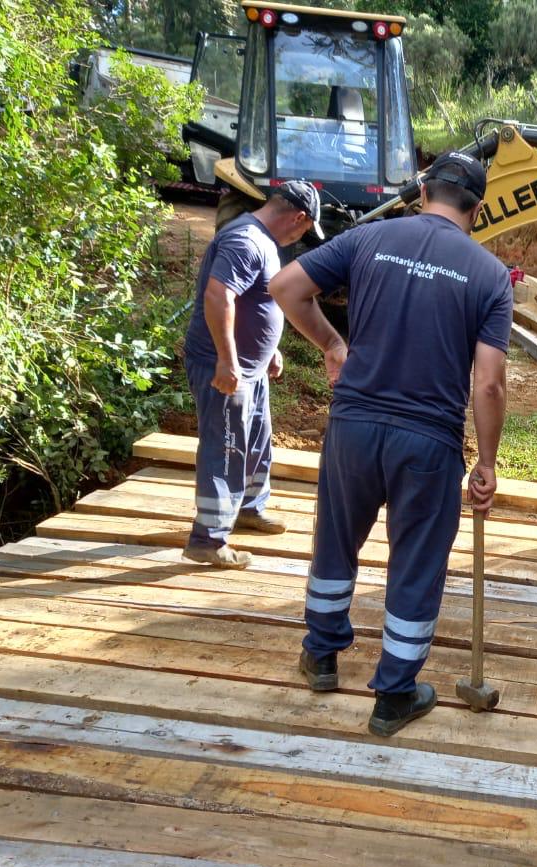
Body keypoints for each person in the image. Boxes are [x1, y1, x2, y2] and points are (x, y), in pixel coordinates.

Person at [270, 151, 511, 738]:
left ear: (423, 190)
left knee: (335, 543)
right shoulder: (488, 274)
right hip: (427, 442)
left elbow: (285, 286)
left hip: (353, 426)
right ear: (476, 210)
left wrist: (332, 343)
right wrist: (486, 460)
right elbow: (489, 382)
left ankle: (322, 658)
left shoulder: (369, 238)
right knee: (416, 565)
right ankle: (394, 695)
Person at [182, 181, 324, 570]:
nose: (302, 236)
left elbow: (253, 301)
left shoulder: (261, 239)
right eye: (305, 229)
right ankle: (208, 539)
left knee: (257, 438)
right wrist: (227, 361)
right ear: (298, 218)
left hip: (250, 366)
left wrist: (269, 348)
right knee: (227, 446)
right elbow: (218, 296)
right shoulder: (245, 240)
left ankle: (248, 507)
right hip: (224, 366)